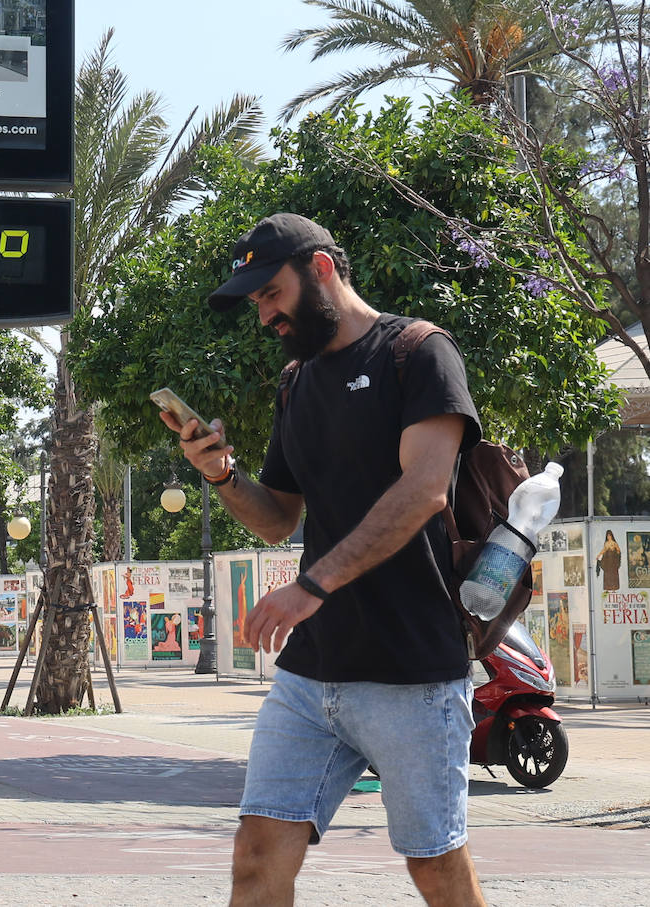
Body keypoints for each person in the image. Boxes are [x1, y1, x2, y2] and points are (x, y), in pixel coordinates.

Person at [163, 213, 485, 905]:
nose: (265, 315)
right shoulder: (296, 384)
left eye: (271, 294)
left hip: (413, 672)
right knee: (255, 858)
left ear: (322, 270)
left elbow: (424, 490)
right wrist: (221, 474)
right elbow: (279, 517)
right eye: (255, 304)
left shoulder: (420, 352)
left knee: (436, 869)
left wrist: (311, 586)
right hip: (312, 676)